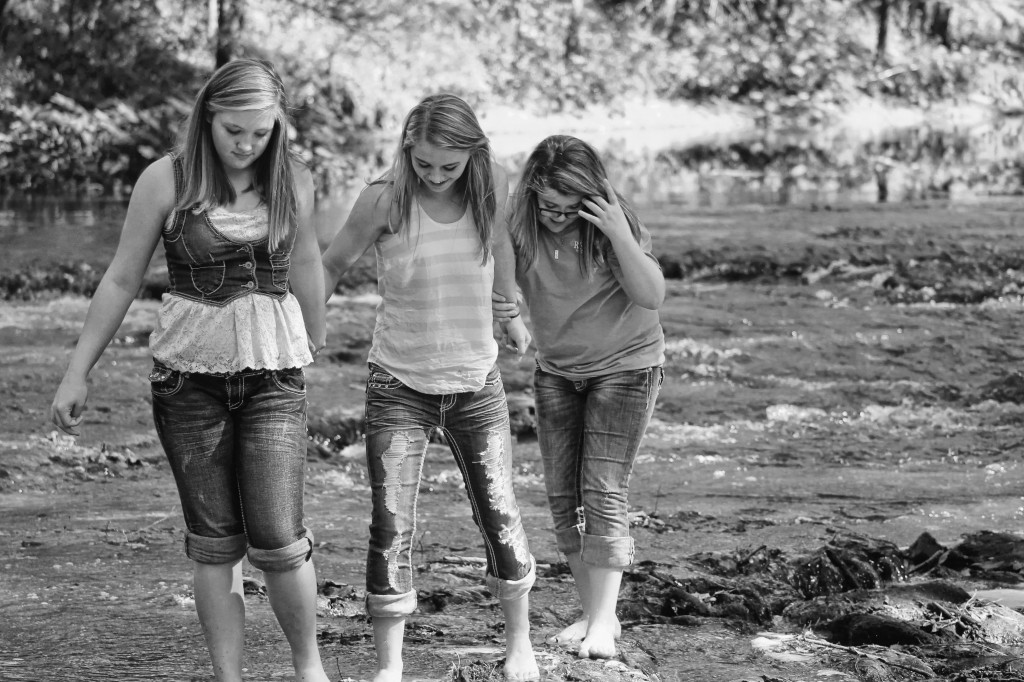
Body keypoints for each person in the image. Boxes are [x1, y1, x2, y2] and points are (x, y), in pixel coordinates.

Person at [50, 58, 330, 682]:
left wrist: (317, 335)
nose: (246, 144)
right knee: (214, 540)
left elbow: (308, 262)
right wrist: (78, 371)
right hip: (188, 384)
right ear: (207, 117)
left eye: (260, 133)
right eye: (233, 129)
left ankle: (310, 670)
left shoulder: (293, 180)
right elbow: (122, 277)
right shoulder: (165, 180)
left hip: (274, 381)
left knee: (281, 539)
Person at [321, 93, 539, 682]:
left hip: (476, 382)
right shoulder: (385, 198)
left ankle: (520, 646)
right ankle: (390, 669)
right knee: (391, 524)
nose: (437, 177)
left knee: (500, 512)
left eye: (450, 166)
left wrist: (510, 310)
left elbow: (501, 246)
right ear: (406, 150)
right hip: (399, 384)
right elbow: (332, 263)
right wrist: (309, 326)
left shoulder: (489, 181)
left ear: (474, 155)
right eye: (424, 165)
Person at [493, 134, 666, 660]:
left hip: (626, 365)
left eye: (570, 209)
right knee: (562, 497)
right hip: (558, 369)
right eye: (549, 206)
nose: (558, 217)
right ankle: (597, 616)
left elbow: (652, 294)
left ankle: (603, 621)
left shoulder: (613, 223)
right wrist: (511, 317)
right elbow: (501, 280)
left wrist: (616, 233)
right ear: (532, 194)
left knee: (603, 488)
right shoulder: (518, 220)